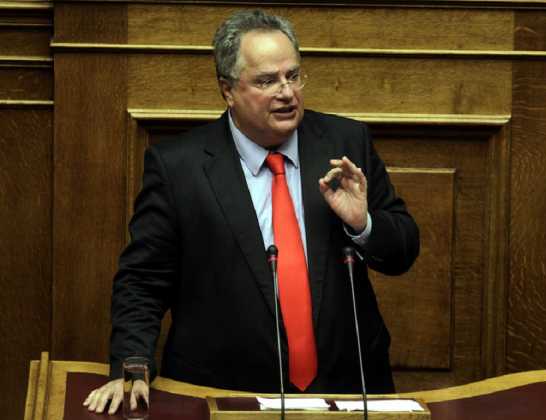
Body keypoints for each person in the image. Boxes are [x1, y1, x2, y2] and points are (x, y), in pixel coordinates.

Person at [84, 9, 419, 414]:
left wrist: (362, 224)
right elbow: (143, 280)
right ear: (227, 90)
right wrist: (132, 364)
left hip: (347, 388)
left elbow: (403, 251)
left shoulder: (345, 142)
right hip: (223, 394)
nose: (287, 92)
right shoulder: (179, 167)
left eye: (293, 75)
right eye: (266, 81)